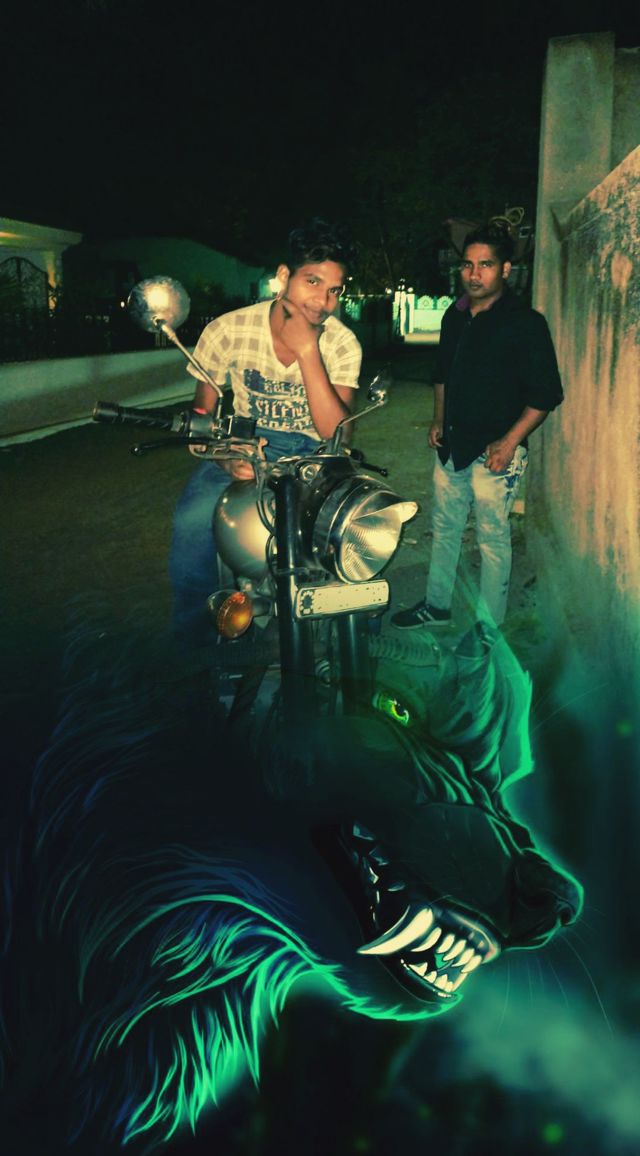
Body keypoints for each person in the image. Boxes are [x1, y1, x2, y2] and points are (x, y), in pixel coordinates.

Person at [169, 218, 362, 643]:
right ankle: (196, 644)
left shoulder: (341, 343)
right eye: (313, 282)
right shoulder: (227, 329)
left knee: (357, 534)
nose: (323, 301)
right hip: (245, 444)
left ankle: (353, 646)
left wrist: (308, 351)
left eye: (334, 290)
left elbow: (338, 434)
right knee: (191, 524)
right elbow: (201, 416)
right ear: (283, 276)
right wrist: (224, 454)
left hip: (316, 453)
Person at [391, 221, 563, 630]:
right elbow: (442, 374)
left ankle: (488, 627)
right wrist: (438, 419)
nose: (474, 274)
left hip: (496, 454)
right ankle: (437, 607)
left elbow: (546, 395)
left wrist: (508, 443)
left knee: (492, 538)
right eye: (468, 264)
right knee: (445, 529)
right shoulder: (455, 316)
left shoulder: (525, 323)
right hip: (452, 446)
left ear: (505, 269)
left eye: (485, 265)